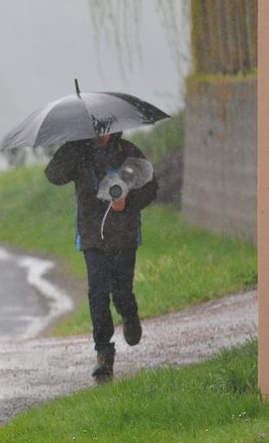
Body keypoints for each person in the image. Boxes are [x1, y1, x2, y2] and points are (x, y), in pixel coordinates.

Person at [45, 132, 157, 384]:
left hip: (124, 235)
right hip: (91, 235)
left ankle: (129, 314)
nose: (100, 133)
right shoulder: (78, 152)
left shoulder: (127, 152)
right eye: (94, 128)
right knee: (97, 292)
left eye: (104, 127)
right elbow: (54, 175)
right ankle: (103, 353)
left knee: (121, 290)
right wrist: (71, 147)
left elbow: (151, 188)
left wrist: (127, 202)